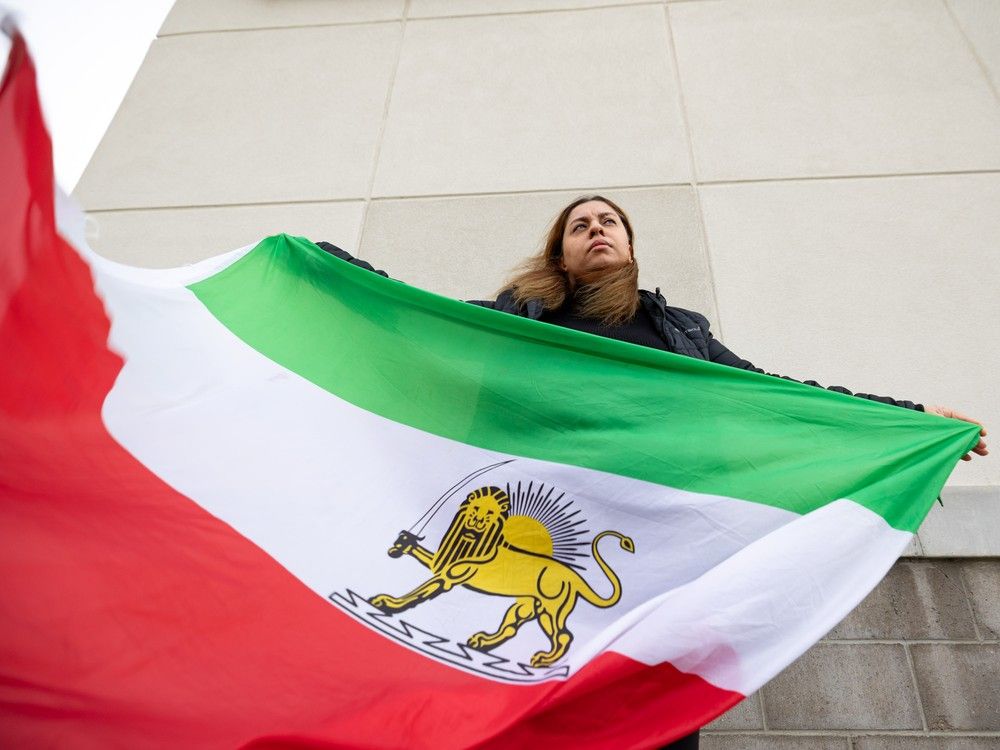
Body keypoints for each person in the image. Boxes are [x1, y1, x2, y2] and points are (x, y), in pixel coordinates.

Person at [316, 195, 987, 749]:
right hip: (550, 520)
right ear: (562, 253)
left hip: (655, 547)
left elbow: (779, 395)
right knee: (530, 697)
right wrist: (328, 269)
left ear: (630, 247)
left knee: (649, 702)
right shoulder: (517, 320)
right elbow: (412, 318)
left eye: (608, 221)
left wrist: (913, 416)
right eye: (579, 226)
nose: (595, 230)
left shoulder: (677, 332)